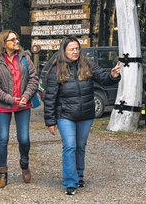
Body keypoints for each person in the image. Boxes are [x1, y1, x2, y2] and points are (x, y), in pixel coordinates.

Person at [43, 36, 121, 195]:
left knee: (80, 146)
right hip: (65, 115)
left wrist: (112, 75)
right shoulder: (56, 69)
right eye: (71, 49)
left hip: (85, 114)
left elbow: (103, 77)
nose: (75, 52)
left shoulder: (87, 64)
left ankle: (79, 176)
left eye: (77, 48)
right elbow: (50, 97)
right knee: (70, 146)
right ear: (64, 51)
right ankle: (70, 183)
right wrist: (50, 121)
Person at [0, 30, 39, 188]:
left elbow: (33, 79)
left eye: (17, 38)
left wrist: (26, 96)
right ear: (4, 43)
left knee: (24, 138)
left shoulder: (25, 58)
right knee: (3, 139)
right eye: (12, 39)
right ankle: (2, 172)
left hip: (24, 105)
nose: (17, 41)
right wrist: (10, 99)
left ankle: (24, 163)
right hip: (4, 106)